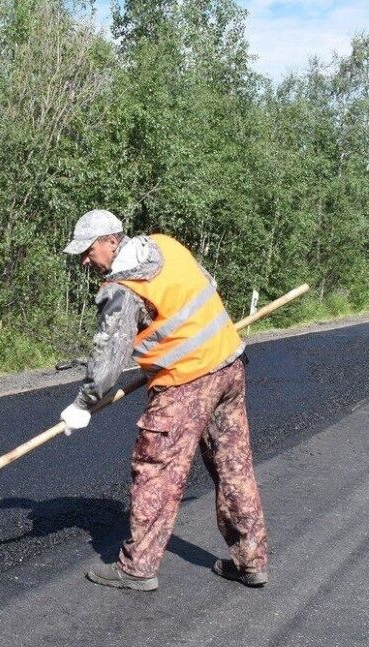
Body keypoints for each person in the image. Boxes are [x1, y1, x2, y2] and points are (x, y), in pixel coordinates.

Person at [60, 209, 269, 592]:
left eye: (88, 251)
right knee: (233, 466)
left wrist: (83, 404)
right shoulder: (166, 245)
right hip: (228, 364)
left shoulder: (124, 289)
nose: (85, 261)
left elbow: (107, 363)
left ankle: (138, 567)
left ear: (111, 241)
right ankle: (251, 561)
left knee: (156, 469)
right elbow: (206, 286)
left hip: (185, 384)